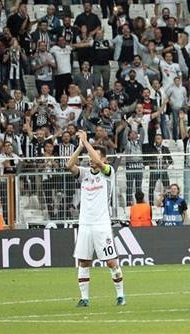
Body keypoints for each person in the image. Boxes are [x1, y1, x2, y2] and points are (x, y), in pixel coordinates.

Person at [66, 130, 125, 307]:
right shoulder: (84, 173)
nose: (91, 159)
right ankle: (84, 298)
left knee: (111, 261)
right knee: (84, 261)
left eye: (95, 156)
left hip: (101, 225)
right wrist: (80, 146)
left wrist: (86, 141)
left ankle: (120, 295)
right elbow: (69, 165)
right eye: (90, 156)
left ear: (105, 159)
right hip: (85, 224)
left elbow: (99, 162)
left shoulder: (108, 172)